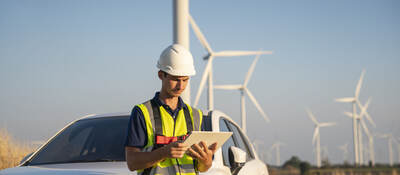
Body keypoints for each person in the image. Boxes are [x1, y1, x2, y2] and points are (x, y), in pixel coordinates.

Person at [125, 44, 217, 175]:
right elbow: (132, 162)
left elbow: (201, 168)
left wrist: (206, 161)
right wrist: (163, 153)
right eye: (176, 79)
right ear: (161, 75)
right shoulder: (143, 113)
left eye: (185, 80)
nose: (181, 86)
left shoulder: (196, 115)